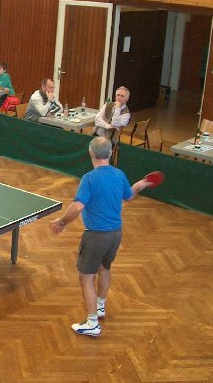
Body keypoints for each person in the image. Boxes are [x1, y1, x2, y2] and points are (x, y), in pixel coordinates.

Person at [50, 137, 153, 337]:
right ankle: (100, 306)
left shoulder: (89, 178)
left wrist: (61, 222)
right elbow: (129, 195)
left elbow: (78, 207)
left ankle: (92, 323)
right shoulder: (119, 174)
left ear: (91, 153)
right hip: (116, 234)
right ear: (111, 153)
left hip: (96, 235)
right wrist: (142, 183)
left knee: (86, 277)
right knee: (104, 268)